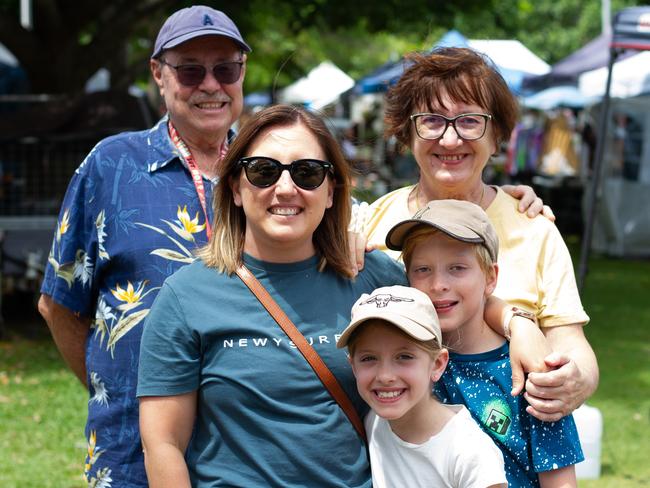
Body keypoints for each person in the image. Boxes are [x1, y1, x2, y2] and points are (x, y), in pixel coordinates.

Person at [136, 104, 408, 487]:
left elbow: (456, 339)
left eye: (307, 173)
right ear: (235, 187)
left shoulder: (377, 280)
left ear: (331, 191)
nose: (284, 188)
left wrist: (516, 322)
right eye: (263, 171)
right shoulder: (186, 296)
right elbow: (163, 443)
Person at [37, 6, 250, 486]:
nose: (211, 85)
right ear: (158, 74)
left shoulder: (270, 169)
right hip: (130, 451)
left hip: (248, 449)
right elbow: (59, 304)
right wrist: (114, 388)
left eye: (226, 68)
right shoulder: (111, 166)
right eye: (191, 70)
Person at [362, 47, 598, 421]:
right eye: (431, 121)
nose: (450, 139)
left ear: (498, 136)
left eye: (470, 121)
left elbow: (570, 340)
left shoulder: (534, 228)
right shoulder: (371, 224)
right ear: (407, 132)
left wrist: (575, 379)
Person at [388, 199, 584, 487]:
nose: (438, 284)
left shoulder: (530, 371)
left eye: (457, 268)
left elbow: (560, 482)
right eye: (423, 270)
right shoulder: (402, 364)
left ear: (491, 277)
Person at [337, 285, 508, 488]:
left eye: (404, 357)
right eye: (368, 358)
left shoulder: (469, 452)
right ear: (353, 366)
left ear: (437, 364)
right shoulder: (373, 420)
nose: (385, 376)